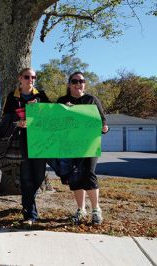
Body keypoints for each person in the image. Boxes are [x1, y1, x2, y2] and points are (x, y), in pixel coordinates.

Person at [57, 71, 109, 225]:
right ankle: (81, 210)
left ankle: (96, 210)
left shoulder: (91, 100)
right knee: (75, 176)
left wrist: (105, 128)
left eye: (81, 81)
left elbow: (102, 121)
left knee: (89, 174)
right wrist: (63, 110)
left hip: (89, 145)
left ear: (84, 84)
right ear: (69, 84)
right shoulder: (62, 100)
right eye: (74, 81)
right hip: (70, 146)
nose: (78, 84)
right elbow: (53, 123)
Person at [1, 67, 50, 226]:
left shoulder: (40, 95)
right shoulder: (12, 97)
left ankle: (28, 201)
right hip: (21, 143)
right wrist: (18, 121)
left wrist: (40, 107)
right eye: (27, 77)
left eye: (33, 77)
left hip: (40, 143)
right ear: (20, 79)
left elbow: (52, 115)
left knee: (39, 177)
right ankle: (30, 214)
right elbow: (6, 119)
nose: (31, 80)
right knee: (26, 178)